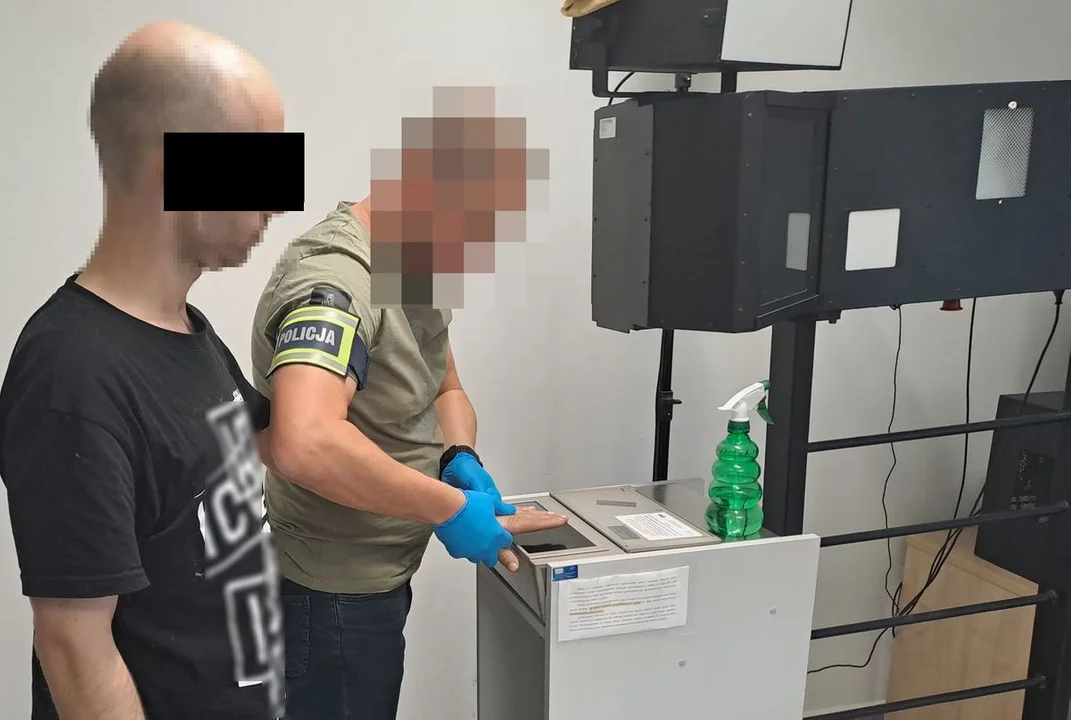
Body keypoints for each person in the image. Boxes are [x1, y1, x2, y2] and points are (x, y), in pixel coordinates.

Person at [0, 21, 288, 720]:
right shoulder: (71, 375)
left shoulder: (188, 331)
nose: (277, 203)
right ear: (172, 170)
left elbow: (268, 444)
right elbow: (75, 647)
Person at [249, 113, 564, 718]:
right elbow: (304, 440)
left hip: (381, 574)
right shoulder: (336, 283)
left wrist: (458, 455)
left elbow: (444, 384)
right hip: (331, 593)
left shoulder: (410, 259)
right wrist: (450, 508)